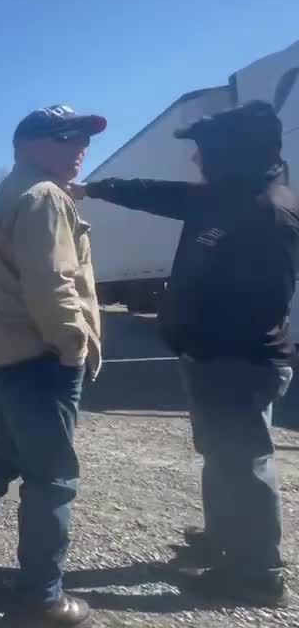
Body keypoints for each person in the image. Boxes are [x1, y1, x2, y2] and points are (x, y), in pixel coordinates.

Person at [72, 100, 298, 607]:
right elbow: (160, 195)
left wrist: (199, 333)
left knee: (245, 462)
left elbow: (263, 303)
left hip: (240, 361)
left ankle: (257, 573)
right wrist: (96, 189)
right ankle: (227, 543)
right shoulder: (223, 198)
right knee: (221, 459)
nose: (196, 161)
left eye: (205, 152)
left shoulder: (268, 213)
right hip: (213, 358)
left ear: (232, 155)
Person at [0, 105, 104, 626]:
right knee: (52, 479)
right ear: (28, 144)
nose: (80, 146)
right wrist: (73, 346)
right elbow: (52, 284)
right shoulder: (45, 197)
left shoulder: (4, 196)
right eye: (66, 137)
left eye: (83, 137)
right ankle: (42, 596)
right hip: (36, 361)